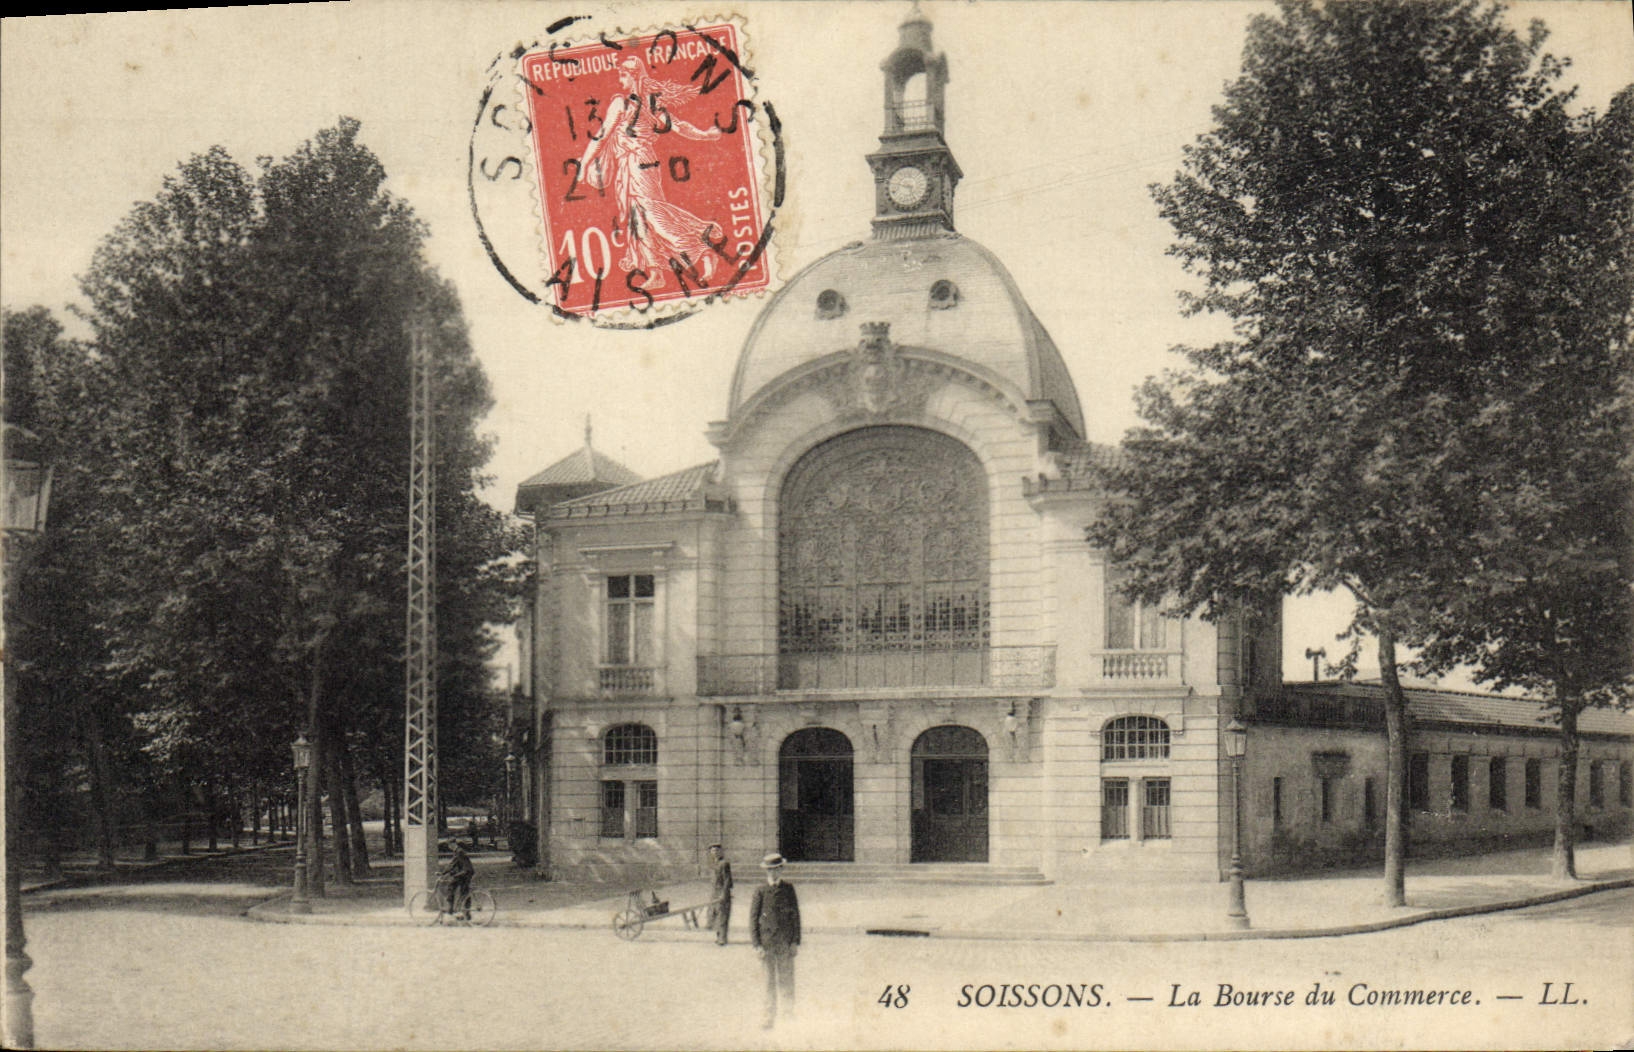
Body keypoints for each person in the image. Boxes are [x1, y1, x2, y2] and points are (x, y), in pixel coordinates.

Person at [577, 55, 725, 291]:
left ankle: (702, 249)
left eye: (623, 75)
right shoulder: (651, 103)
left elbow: (601, 136)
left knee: (654, 215)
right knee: (638, 220)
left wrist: (584, 164)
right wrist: (705, 134)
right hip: (639, 164)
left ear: (634, 76)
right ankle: (656, 272)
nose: (620, 79)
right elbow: (680, 127)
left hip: (637, 164)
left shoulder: (622, 104)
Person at [749, 852, 800, 1028]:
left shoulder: (788, 889)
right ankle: (768, 1016)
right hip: (767, 943)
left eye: (777, 869)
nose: (773, 873)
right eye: (770, 870)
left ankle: (788, 1015)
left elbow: (795, 917)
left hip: (785, 943)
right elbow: (753, 919)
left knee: (786, 979)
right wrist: (757, 945)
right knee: (768, 982)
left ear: (781, 870)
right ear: (766, 872)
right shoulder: (760, 891)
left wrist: (794, 941)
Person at [705, 843, 733, 946]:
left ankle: (722, 938)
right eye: (713, 851)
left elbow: (727, 880)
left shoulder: (724, 864)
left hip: (722, 892)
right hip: (714, 892)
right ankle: (718, 937)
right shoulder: (713, 864)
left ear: (721, 852)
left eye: (717, 850)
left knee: (722, 915)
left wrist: (724, 894)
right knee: (715, 914)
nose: (715, 853)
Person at [440, 841, 475, 920]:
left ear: (453, 844)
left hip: (465, 873)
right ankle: (465, 913)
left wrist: (443, 873)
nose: (449, 847)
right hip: (466, 872)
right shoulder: (459, 851)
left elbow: (452, 864)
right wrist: (451, 872)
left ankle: (451, 909)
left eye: (450, 845)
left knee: (451, 885)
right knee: (464, 892)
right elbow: (458, 864)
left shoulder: (459, 852)